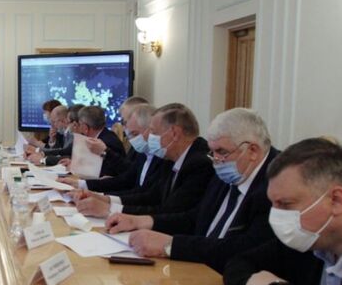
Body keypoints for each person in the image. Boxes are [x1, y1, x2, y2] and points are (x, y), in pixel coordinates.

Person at [223, 138, 342, 285]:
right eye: (273, 205)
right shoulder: (309, 241)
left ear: (336, 200)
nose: (276, 216)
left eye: (285, 205)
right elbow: (238, 263)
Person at [106, 108, 279, 273]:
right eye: (212, 152)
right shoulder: (232, 168)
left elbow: (245, 248)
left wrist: (170, 245)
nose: (215, 160)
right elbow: (197, 217)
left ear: (253, 151)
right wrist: (142, 221)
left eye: (221, 151)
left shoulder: (276, 186)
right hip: (200, 270)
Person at [74, 103, 214, 217]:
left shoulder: (199, 164)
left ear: (174, 133)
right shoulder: (170, 157)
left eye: (154, 132)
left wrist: (110, 208)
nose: (149, 137)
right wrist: (105, 199)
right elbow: (150, 195)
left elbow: (172, 211)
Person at [65, 104, 163, 194]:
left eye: (134, 133)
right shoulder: (143, 153)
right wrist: (82, 184)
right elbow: (128, 178)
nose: (124, 128)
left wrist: (104, 198)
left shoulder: (109, 141)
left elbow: (139, 191)